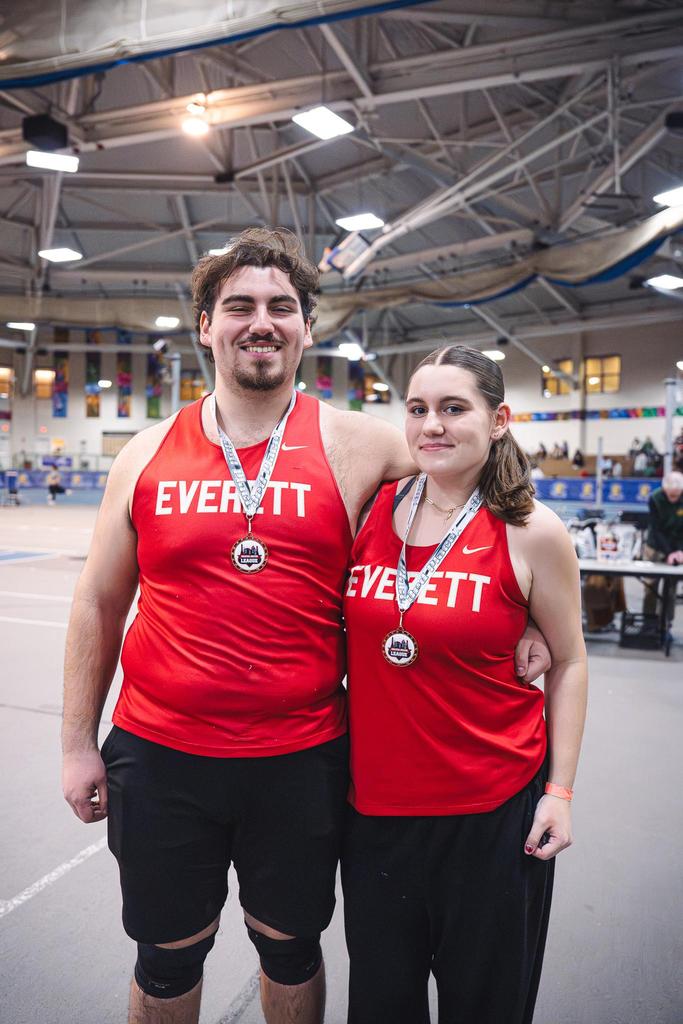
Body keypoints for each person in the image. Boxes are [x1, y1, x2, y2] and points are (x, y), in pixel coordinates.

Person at [61, 229, 550, 1024]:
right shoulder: (143, 454)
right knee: (166, 959)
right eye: (239, 306)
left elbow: (476, 482)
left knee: (289, 948)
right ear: (205, 326)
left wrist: (526, 612)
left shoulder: (360, 442)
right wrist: (76, 743)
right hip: (160, 754)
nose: (261, 322)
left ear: (306, 328)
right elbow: (97, 602)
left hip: (301, 759)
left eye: (280, 307)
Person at [342, 345, 587, 1024]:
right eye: (418, 409)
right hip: (374, 817)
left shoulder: (531, 531)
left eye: (453, 408)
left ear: (498, 420)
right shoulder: (369, 510)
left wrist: (559, 793)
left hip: (492, 816)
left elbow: (569, 662)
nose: (432, 425)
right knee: (381, 1008)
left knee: (485, 1008)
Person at [643, 470, 683, 617]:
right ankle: (648, 621)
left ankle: (667, 622)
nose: (673, 499)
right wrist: (669, 552)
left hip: (677, 545)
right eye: (671, 495)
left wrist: (679, 551)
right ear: (665, 489)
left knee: (671, 588)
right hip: (655, 546)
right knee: (650, 586)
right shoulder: (655, 498)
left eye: (676, 496)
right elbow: (656, 529)